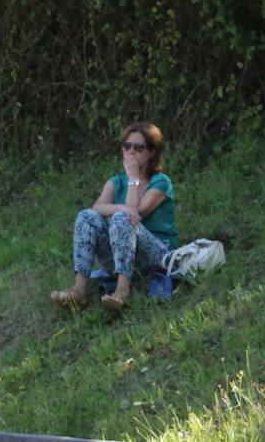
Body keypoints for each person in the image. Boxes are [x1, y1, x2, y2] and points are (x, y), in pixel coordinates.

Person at [50, 122, 178, 314]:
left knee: (122, 218)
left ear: (152, 152)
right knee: (86, 216)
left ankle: (122, 291)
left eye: (138, 147)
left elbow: (136, 213)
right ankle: (79, 290)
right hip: (123, 257)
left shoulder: (161, 182)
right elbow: (97, 208)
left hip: (157, 257)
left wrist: (133, 179)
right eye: (126, 146)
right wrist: (118, 206)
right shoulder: (116, 181)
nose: (131, 152)